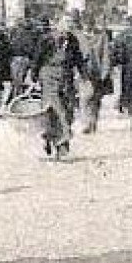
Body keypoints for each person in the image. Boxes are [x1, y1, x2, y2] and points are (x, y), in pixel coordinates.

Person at [35, 13, 85, 159]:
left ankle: (58, 141)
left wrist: (83, 75)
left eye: (71, 25)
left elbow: (78, 59)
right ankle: (58, 143)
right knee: (55, 110)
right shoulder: (46, 39)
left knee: (68, 110)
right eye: (66, 24)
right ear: (59, 24)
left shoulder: (73, 40)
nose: (68, 28)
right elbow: (37, 58)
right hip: (49, 75)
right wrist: (33, 77)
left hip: (66, 77)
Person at [72, 11, 113, 134]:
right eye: (85, 24)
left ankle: (93, 122)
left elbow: (106, 54)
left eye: (89, 23)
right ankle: (85, 123)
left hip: (98, 72)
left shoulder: (102, 36)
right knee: (84, 98)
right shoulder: (76, 36)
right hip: (82, 72)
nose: (87, 26)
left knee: (96, 99)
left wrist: (105, 71)